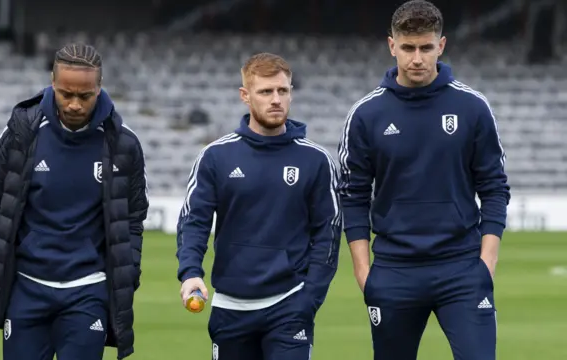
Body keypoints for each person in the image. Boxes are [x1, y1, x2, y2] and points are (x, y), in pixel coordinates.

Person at [337, 1, 510, 359]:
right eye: (408, 48)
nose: (417, 58)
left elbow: (494, 188)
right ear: (392, 46)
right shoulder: (366, 114)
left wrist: (486, 265)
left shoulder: (473, 108)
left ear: (441, 46)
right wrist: (363, 272)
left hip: (462, 269)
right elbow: (353, 197)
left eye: (426, 48)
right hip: (394, 272)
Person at [0, 43, 149, 360]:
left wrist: (130, 268)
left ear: (99, 88)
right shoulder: (21, 133)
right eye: (67, 94)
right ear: (53, 84)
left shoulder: (124, 144)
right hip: (26, 288)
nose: (75, 105)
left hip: (88, 290)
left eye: (85, 96)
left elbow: (133, 217)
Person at [176, 53, 342, 360]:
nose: (276, 99)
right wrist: (190, 272)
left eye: (283, 90)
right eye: (266, 92)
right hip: (230, 307)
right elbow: (194, 222)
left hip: (290, 304)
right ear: (245, 95)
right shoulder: (215, 157)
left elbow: (328, 234)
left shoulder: (316, 161)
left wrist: (310, 297)